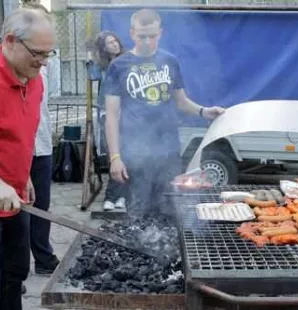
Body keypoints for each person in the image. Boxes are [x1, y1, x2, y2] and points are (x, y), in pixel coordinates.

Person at [105, 9, 225, 219]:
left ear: (160, 33)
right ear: (132, 33)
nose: (147, 42)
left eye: (152, 36)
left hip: (168, 150)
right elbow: (112, 115)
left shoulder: (170, 62)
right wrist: (115, 157)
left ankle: (169, 250)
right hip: (135, 153)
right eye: (142, 36)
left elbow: (181, 101)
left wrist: (204, 111)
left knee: (169, 208)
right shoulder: (119, 66)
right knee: (138, 210)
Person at [0, 8, 55, 310]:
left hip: (15, 198)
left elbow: (21, 134)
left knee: (15, 272)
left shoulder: (35, 79)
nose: (44, 62)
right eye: (38, 53)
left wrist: (26, 175)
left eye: (50, 53)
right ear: (10, 41)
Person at [21, 3, 60, 275]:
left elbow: (46, 102)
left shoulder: (47, 63)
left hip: (42, 145)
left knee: (41, 204)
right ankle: (15, 267)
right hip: (15, 151)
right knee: (18, 211)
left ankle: (43, 258)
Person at [86, 31, 128, 211]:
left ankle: (119, 196)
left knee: (126, 153)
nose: (114, 44)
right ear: (104, 48)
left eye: (115, 41)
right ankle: (115, 196)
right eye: (110, 43)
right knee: (114, 154)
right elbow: (92, 75)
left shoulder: (127, 62)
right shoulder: (102, 66)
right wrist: (90, 56)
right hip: (107, 114)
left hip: (126, 113)